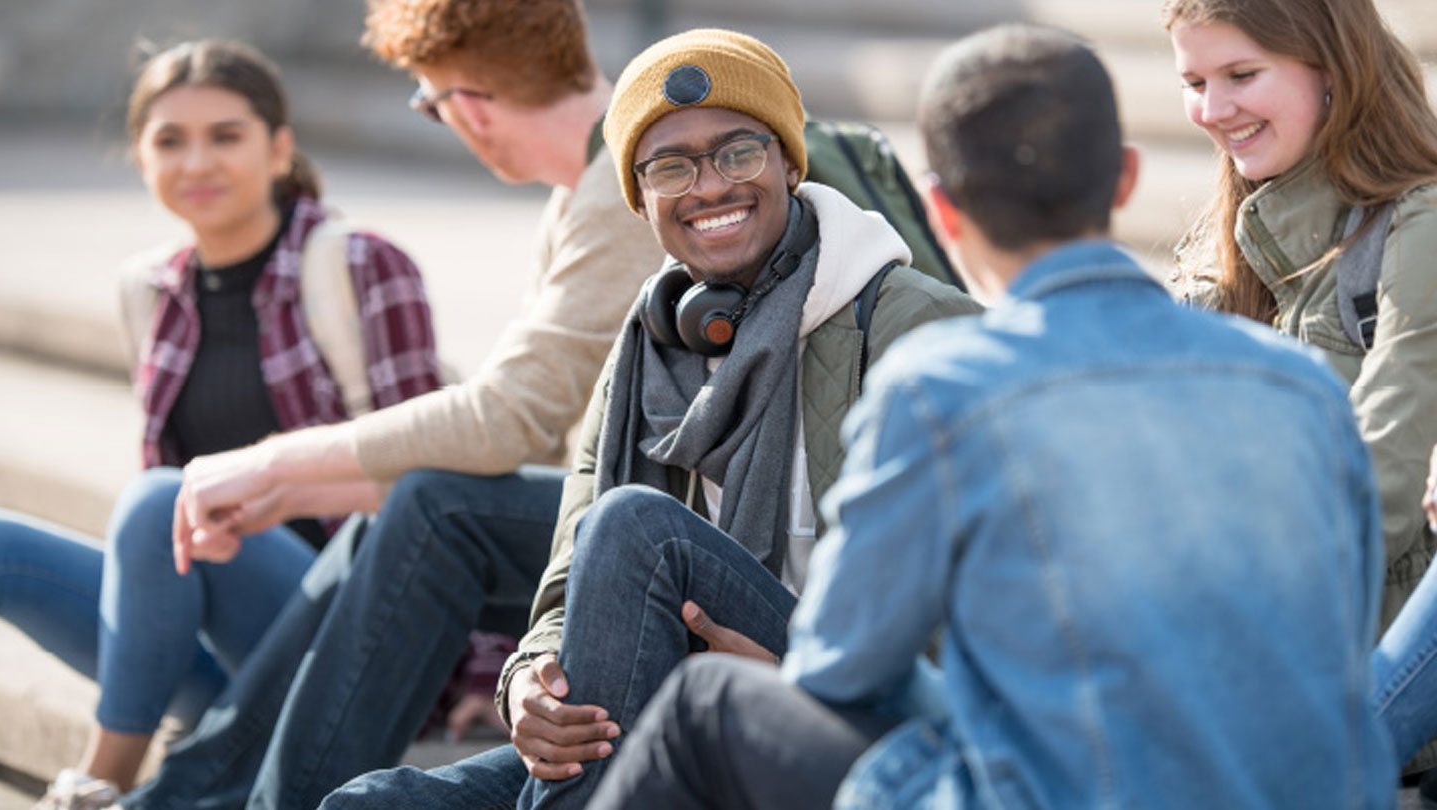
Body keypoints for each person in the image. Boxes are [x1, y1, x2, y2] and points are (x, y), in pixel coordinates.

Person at [581, 24, 1396, 810]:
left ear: (943, 213)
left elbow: (840, 669)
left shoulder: (943, 391)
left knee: (707, 700)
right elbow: (1337, 634)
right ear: (1124, 178)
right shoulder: (1304, 387)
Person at [321, 27, 982, 810]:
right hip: (664, 705)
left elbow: (993, 604)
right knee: (370, 803)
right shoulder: (645, 345)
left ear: (788, 163)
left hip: (856, 715)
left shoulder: (920, 328)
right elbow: (571, 576)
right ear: (640, 199)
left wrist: (806, 679)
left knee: (639, 525)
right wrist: (529, 683)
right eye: (669, 167)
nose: (708, 187)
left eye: (737, 152)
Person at [114, 2, 666, 809]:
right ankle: (182, 797)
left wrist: (274, 462)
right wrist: (291, 489)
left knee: (437, 506)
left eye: (429, 101)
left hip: (685, 534)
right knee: (413, 507)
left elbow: (507, 421)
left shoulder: (616, 189)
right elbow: (532, 442)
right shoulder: (586, 184)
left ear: (466, 105)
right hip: (628, 510)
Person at [0, 38, 443, 810]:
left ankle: (100, 781)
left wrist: (479, 673)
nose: (197, 162)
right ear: (139, 159)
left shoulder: (361, 265)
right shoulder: (149, 290)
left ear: (278, 148)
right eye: (170, 141)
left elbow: (436, 483)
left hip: (356, 639)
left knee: (162, 499)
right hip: (233, 648)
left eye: (225, 136)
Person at [1165, 0, 1437, 631]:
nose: (1212, 110)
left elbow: (1378, 485)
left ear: (1333, 69)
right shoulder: (1217, 254)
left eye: (1241, 75)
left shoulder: (1417, 226)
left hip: (1358, 674)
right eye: (1194, 83)